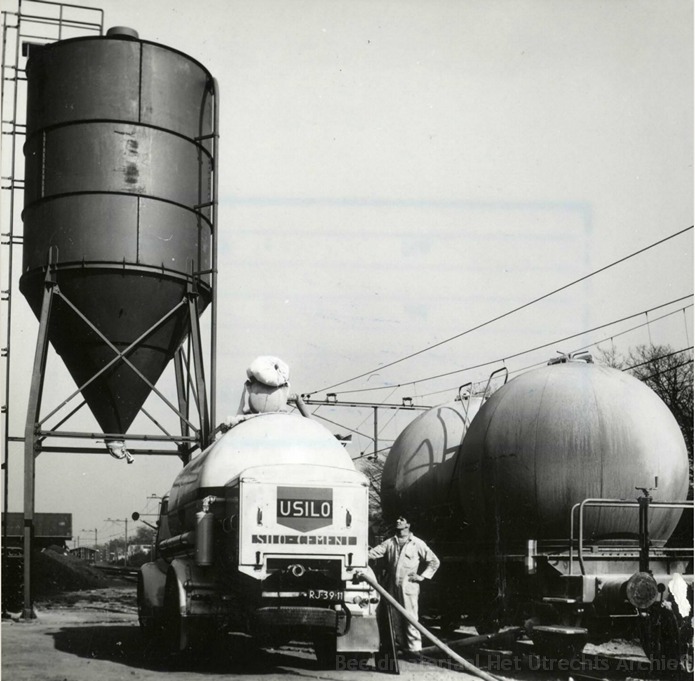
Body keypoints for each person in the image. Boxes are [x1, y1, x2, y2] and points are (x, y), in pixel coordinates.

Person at [368, 515, 440, 659]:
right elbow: (374, 553)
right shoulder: (390, 542)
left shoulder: (417, 543)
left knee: (410, 618)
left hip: (409, 586)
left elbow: (434, 561)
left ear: (408, 524)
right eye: (397, 519)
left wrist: (422, 577)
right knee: (394, 617)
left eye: (402, 519)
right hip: (392, 586)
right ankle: (401, 648)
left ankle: (415, 650)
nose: (398, 521)